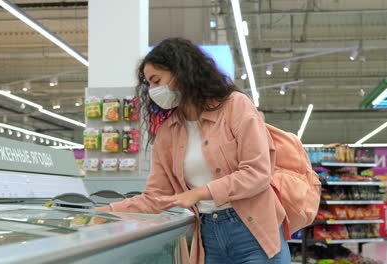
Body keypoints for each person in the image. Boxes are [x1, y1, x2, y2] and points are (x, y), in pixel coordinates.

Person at [96, 38, 291, 264]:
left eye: (156, 80)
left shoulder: (235, 105)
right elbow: (156, 198)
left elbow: (257, 173)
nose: (152, 90)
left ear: (180, 72)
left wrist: (199, 193)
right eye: (148, 84)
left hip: (253, 231)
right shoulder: (168, 132)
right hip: (209, 235)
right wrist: (105, 211)